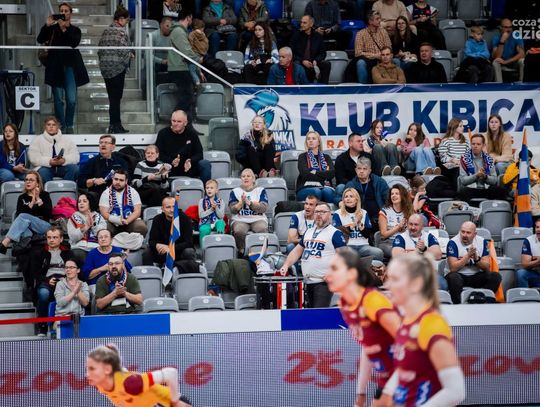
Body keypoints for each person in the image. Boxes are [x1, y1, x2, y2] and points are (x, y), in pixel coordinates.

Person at [385, 253, 465, 406]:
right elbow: (406, 367)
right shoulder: (406, 320)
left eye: (394, 279)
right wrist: (388, 392)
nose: (387, 285)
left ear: (416, 284)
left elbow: (456, 391)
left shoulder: (431, 324)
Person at [326, 247, 400, 406]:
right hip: (389, 377)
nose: (328, 275)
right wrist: (361, 393)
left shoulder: (373, 302)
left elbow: (411, 346)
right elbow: (368, 349)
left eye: (334, 269)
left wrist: (390, 390)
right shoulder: (346, 305)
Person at [279, 202, 347, 308]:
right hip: (307, 281)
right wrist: (286, 265)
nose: (319, 214)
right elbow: (297, 251)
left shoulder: (335, 233)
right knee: (310, 313)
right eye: (317, 212)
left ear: (330, 214)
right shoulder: (308, 232)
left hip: (323, 282)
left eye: (323, 212)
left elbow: (345, 257)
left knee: (319, 314)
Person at [36, 2, 89, 134]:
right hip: (55, 68)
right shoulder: (52, 29)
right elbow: (40, 39)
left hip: (70, 67)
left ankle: (69, 125)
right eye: (61, 11)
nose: (63, 13)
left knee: (71, 100)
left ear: (70, 13)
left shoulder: (75, 30)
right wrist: (47, 25)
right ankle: (62, 126)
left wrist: (64, 29)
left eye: (66, 11)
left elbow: (74, 43)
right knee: (58, 99)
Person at [86, 344, 191, 407]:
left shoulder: (131, 383)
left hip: (172, 402)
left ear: (107, 369)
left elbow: (171, 373)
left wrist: (175, 402)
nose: (87, 374)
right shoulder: (100, 385)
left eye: (92, 369)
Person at [446, 221, 502, 304]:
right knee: (453, 277)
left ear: (475, 234)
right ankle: (458, 305)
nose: (464, 235)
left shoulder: (482, 242)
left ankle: (485, 301)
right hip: (459, 275)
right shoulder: (453, 242)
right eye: (462, 232)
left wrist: (476, 259)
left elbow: (487, 267)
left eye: (468, 233)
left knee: (495, 276)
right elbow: (453, 268)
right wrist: (467, 256)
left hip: (476, 275)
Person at [35, 226, 75, 336]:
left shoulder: (68, 253)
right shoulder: (39, 253)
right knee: (43, 294)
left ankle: (69, 326)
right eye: (49, 237)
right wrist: (47, 280)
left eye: (55, 237)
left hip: (66, 281)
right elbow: (35, 274)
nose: (51, 240)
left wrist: (66, 280)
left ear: (61, 239)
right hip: (47, 282)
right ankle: (42, 327)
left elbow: (75, 270)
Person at [98, 6, 132, 134]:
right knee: (116, 99)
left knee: (112, 98)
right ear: (121, 19)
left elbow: (100, 50)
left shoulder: (105, 31)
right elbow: (124, 51)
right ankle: (115, 125)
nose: (127, 23)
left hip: (105, 69)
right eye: (127, 20)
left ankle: (114, 124)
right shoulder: (121, 32)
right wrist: (129, 57)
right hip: (117, 69)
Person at [0, 171, 52, 255]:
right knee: (24, 230)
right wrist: (32, 201)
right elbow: (19, 216)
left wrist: (38, 198)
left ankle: (6, 241)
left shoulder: (45, 195)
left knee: (23, 217)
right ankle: (25, 250)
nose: (28, 182)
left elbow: (48, 214)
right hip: (26, 226)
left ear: (37, 183)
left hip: (43, 225)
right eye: (26, 180)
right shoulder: (22, 197)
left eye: (31, 180)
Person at [155, 110, 211, 184]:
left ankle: (206, 189)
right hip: (170, 167)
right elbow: (158, 154)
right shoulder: (163, 133)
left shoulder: (192, 134)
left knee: (205, 164)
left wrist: (190, 160)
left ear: (185, 123)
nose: (175, 124)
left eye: (179, 121)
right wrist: (171, 161)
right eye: (173, 121)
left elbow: (199, 154)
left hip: (188, 167)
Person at [168, 10, 202, 121]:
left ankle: (188, 125)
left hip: (182, 67)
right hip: (179, 68)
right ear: (188, 17)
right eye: (191, 18)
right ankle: (174, 121)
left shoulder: (181, 31)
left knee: (189, 98)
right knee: (187, 98)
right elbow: (186, 51)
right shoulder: (178, 31)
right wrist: (198, 59)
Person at [333, 188, 384, 261]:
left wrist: (360, 224)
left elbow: (367, 235)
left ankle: (370, 267)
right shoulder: (337, 213)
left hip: (363, 246)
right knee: (347, 256)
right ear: (343, 200)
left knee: (378, 253)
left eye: (351, 196)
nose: (348, 199)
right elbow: (338, 234)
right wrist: (355, 223)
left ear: (356, 199)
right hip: (347, 246)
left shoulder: (363, 212)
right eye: (346, 197)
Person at [144, 196, 197, 265]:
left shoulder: (185, 219)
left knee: (189, 251)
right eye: (168, 207)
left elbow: (189, 242)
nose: (172, 210)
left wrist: (170, 248)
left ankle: (188, 270)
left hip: (179, 252)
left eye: (174, 207)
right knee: (147, 252)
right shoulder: (157, 219)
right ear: (162, 209)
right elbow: (151, 241)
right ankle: (151, 271)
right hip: (163, 252)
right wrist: (157, 245)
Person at [78, 134, 130, 202]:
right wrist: (94, 181)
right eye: (101, 142)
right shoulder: (91, 162)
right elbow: (81, 182)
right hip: (98, 195)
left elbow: (128, 180)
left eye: (106, 143)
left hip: (118, 194)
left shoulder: (121, 162)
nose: (103, 145)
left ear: (113, 147)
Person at [28, 116, 79, 183]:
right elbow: (33, 158)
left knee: (75, 169)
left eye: (54, 125)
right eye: (48, 124)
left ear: (58, 127)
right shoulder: (37, 140)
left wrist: (64, 160)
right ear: (45, 127)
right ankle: (49, 189)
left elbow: (75, 156)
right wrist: (49, 161)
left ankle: (65, 187)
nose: (51, 127)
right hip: (46, 167)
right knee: (43, 172)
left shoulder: (67, 140)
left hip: (62, 167)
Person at [228, 168, 269, 254]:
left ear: (253, 179)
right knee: (239, 230)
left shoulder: (260, 190)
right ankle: (242, 252)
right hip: (240, 219)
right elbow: (232, 210)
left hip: (258, 219)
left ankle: (260, 252)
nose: (245, 178)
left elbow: (264, 208)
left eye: (248, 176)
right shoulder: (235, 191)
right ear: (241, 179)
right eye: (243, 176)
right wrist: (241, 203)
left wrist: (250, 204)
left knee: (262, 228)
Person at [458, 134, 507, 203]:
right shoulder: (464, 159)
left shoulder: (488, 159)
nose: (475, 146)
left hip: (486, 188)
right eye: (473, 144)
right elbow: (463, 180)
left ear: (483, 145)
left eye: (478, 144)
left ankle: (493, 208)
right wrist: (476, 176)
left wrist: (485, 177)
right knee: (462, 191)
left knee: (501, 190)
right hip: (471, 189)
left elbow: (494, 180)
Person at [98, 169, 148, 237]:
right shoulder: (106, 193)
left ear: (126, 181)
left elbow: (137, 211)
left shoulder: (133, 192)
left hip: (130, 221)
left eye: (121, 180)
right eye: (116, 179)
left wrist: (127, 221)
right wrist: (118, 220)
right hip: (112, 222)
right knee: (103, 227)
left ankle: (133, 243)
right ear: (112, 179)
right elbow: (104, 213)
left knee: (141, 227)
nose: (118, 182)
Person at [82, 229, 132, 294]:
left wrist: (121, 262)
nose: (103, 239)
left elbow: (127, 272)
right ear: (97, 240)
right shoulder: (92, 254)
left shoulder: (118, 251)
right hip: (97, 284)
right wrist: (103, 268)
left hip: (117, 283)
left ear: (111, 239)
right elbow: (87, 276)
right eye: (100, 237)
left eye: (106, 237)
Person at [345, 157, 389, 228]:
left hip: (377, 217)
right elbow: (339, 197)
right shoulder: (351, 184)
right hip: (359, 219)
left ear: (369, 171)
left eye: (364, 169)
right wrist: (339, 201)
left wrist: (384, 213)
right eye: (359, 168)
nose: (361, 171)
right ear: (356, 170)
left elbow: (388, 199)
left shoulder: (379, 182)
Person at [68, 193, 107, 265]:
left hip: (96, 247)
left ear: (90, 203)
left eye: (84, 201)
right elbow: (73, 237)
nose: (81, 203)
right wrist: (84, 228)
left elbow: (103, 234)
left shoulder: (98, 217)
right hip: (79, 248)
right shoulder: (73, 218)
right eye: (79, 201)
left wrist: (93, 225)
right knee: (78, 255)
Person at [291, 15, 332, 84]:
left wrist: (316, 60)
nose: (302, 25)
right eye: (301, 22)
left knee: (326, 64)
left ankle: (323, 87)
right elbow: (292, 53)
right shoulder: (296, 36)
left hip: (314, 61)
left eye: (304, 23)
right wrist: (302, 61)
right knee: (296, 64)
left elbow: (323, 53)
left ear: (311, 24)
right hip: (301, 61)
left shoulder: (318, 36)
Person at [296, 131, 335, 202]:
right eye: (308, 139)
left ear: (319, 142)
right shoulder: (302, 157)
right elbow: (305, 174)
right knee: (316, 191)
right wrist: (324, 173)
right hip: (305, 187)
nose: (310, 140)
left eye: (313, 138)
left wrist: (314, 172)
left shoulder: (326, 157)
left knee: (328, 192)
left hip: (325, 187)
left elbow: (331, 174)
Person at [354, 10, 392, 83]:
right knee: (360, 63)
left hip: (383, 57)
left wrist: (383, 55)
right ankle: (364, 87)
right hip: (368, 59)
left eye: (380, 18)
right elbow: (358, 53)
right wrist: (374, 55)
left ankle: (397, 86)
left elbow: (389, 47)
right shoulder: (360, 34)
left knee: (396, 61)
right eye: (377, 19)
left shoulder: (383, 31)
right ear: (370, 21)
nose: (380, 21)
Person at [378, 184, 413, 258]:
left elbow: (414, 230)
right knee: (400, 253)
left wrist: (406, 229)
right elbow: (384, 235)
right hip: (389, 242)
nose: (393, 196)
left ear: (402, 196)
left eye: (397, 193)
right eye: (392, 194)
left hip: (405, 240)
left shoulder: (409, 211)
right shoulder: (384, 212)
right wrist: (398, 227)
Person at [334, 133, 371, 202]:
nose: (361, 143)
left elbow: (374, 173)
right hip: (348, 187)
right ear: (350, 143)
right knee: (340, 187)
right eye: (358, 141)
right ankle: (342, 206)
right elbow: (340, 178)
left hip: (366, 184)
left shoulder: (368, 157)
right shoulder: (341, 159)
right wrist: (355, 185)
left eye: (362, 141)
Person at [437, 118, 469, 189]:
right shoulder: (446, 141)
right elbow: (442, 158)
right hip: (451, 167)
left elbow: (469, 154)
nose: (463, 128)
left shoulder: (465, 141)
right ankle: (457, 191)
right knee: (457, 170)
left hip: (463, 165)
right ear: (454, 127)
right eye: (460, 126)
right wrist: (452, 160)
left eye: (463, 126)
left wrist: (463, 161)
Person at [492, 18, 525, 83]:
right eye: (506, 27)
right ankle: (499, 85)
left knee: (522, 61)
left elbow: (522, 54)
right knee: (495, 62)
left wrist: (506, 62)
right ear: (500, 28)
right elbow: (497, 57)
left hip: (514, 62)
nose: (509, 29)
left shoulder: (516, 35)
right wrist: (502, 41)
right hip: (502, 62)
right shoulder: (496, 37)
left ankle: (521, 83)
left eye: (510, 27)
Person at [198, 179, 226, 246]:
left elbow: (221, 216)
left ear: (216, 190)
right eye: (207, 188)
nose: (209, 190)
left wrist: (216, 208)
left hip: (216, 222)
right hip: (206, 223)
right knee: (203, 229)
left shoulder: (221, 201)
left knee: (221, 222)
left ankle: (220, 243)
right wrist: (211, 209)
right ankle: (203, 248)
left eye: (211, 188)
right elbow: (201, 215)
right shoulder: (201, 201)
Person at [516, 218, 540, 288]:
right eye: (537, 227)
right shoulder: (529, 240)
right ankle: (524, 294)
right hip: (536, 274)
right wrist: (538, 261)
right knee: (521, 273)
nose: (538, 229)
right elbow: (525, 264)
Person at [187, 19, 208, 88]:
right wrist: (203, 54)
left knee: (192, 70)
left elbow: (190, 44)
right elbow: (207, 44)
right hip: (201, 55)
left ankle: (197, 83)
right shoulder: (203, 35)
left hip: (194, 54)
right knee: (196, 68)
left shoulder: (192, 34)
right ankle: (199, 78)